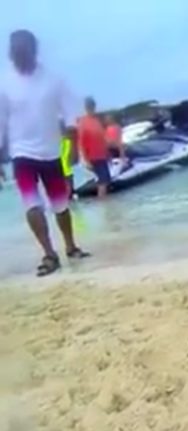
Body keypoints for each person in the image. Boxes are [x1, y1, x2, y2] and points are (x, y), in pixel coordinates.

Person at [0, 30, 89, 276]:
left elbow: (71, 112)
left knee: (61, 204)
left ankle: (71, 246)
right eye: (16, 52)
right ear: (11, 53)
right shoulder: (4, 83)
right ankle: (50, 254)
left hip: (51, 152)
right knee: (32, 205)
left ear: (33, 50)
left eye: (24, 51)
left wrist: (71, 146)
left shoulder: (53, 80)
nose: (20, 56)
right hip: (21, 154)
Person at [77, 97, 113, 198]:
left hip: (102, 155)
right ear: (86, 107)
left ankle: (106, 206)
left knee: (106, 180)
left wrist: (108, 154)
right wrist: (86, 160)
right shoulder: (83, 122)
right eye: (89, 106)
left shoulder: (96, 121)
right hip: (93, 157)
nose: (91, 108)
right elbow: (81, 142)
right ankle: (103, 203)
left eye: (92, 106)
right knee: (103, 181)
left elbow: (102, 139)